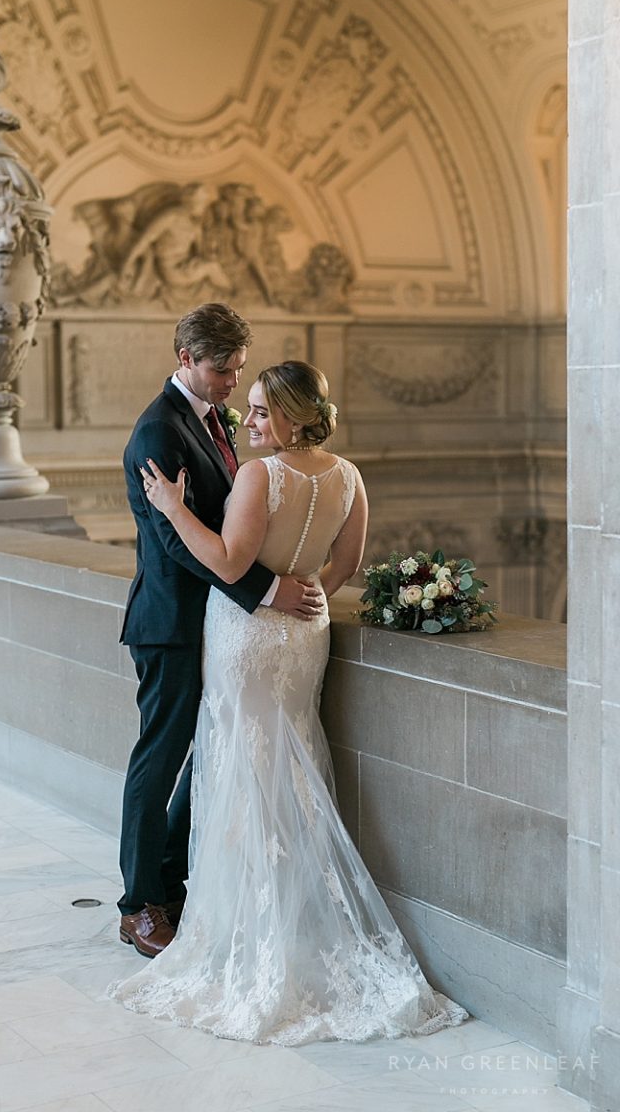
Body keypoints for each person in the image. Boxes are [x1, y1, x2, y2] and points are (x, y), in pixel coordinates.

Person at [109, 359, 468, 1045]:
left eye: (262, 412)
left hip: (248, 635)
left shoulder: (259, 476)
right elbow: (349, 562)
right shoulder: (349, 477)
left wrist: (174, 509)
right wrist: (309, 595)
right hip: (307, 634)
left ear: (295, 416)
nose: (250, 422)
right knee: (289, 757)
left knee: (237, 759)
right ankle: (292, 916)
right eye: (248, 408)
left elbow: (226, 561)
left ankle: (244, 923)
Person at [118, 305, 324, 959]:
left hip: (217, 622)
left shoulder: (211, 419)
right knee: (160, 758)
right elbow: (175, 545)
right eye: (221, 368)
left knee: (209, 753)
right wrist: (269, 591)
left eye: (238, 366)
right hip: (170, 624)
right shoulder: (158, 432)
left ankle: (171, 885)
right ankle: (138, 906)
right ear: (185, 359)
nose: (234, 380)